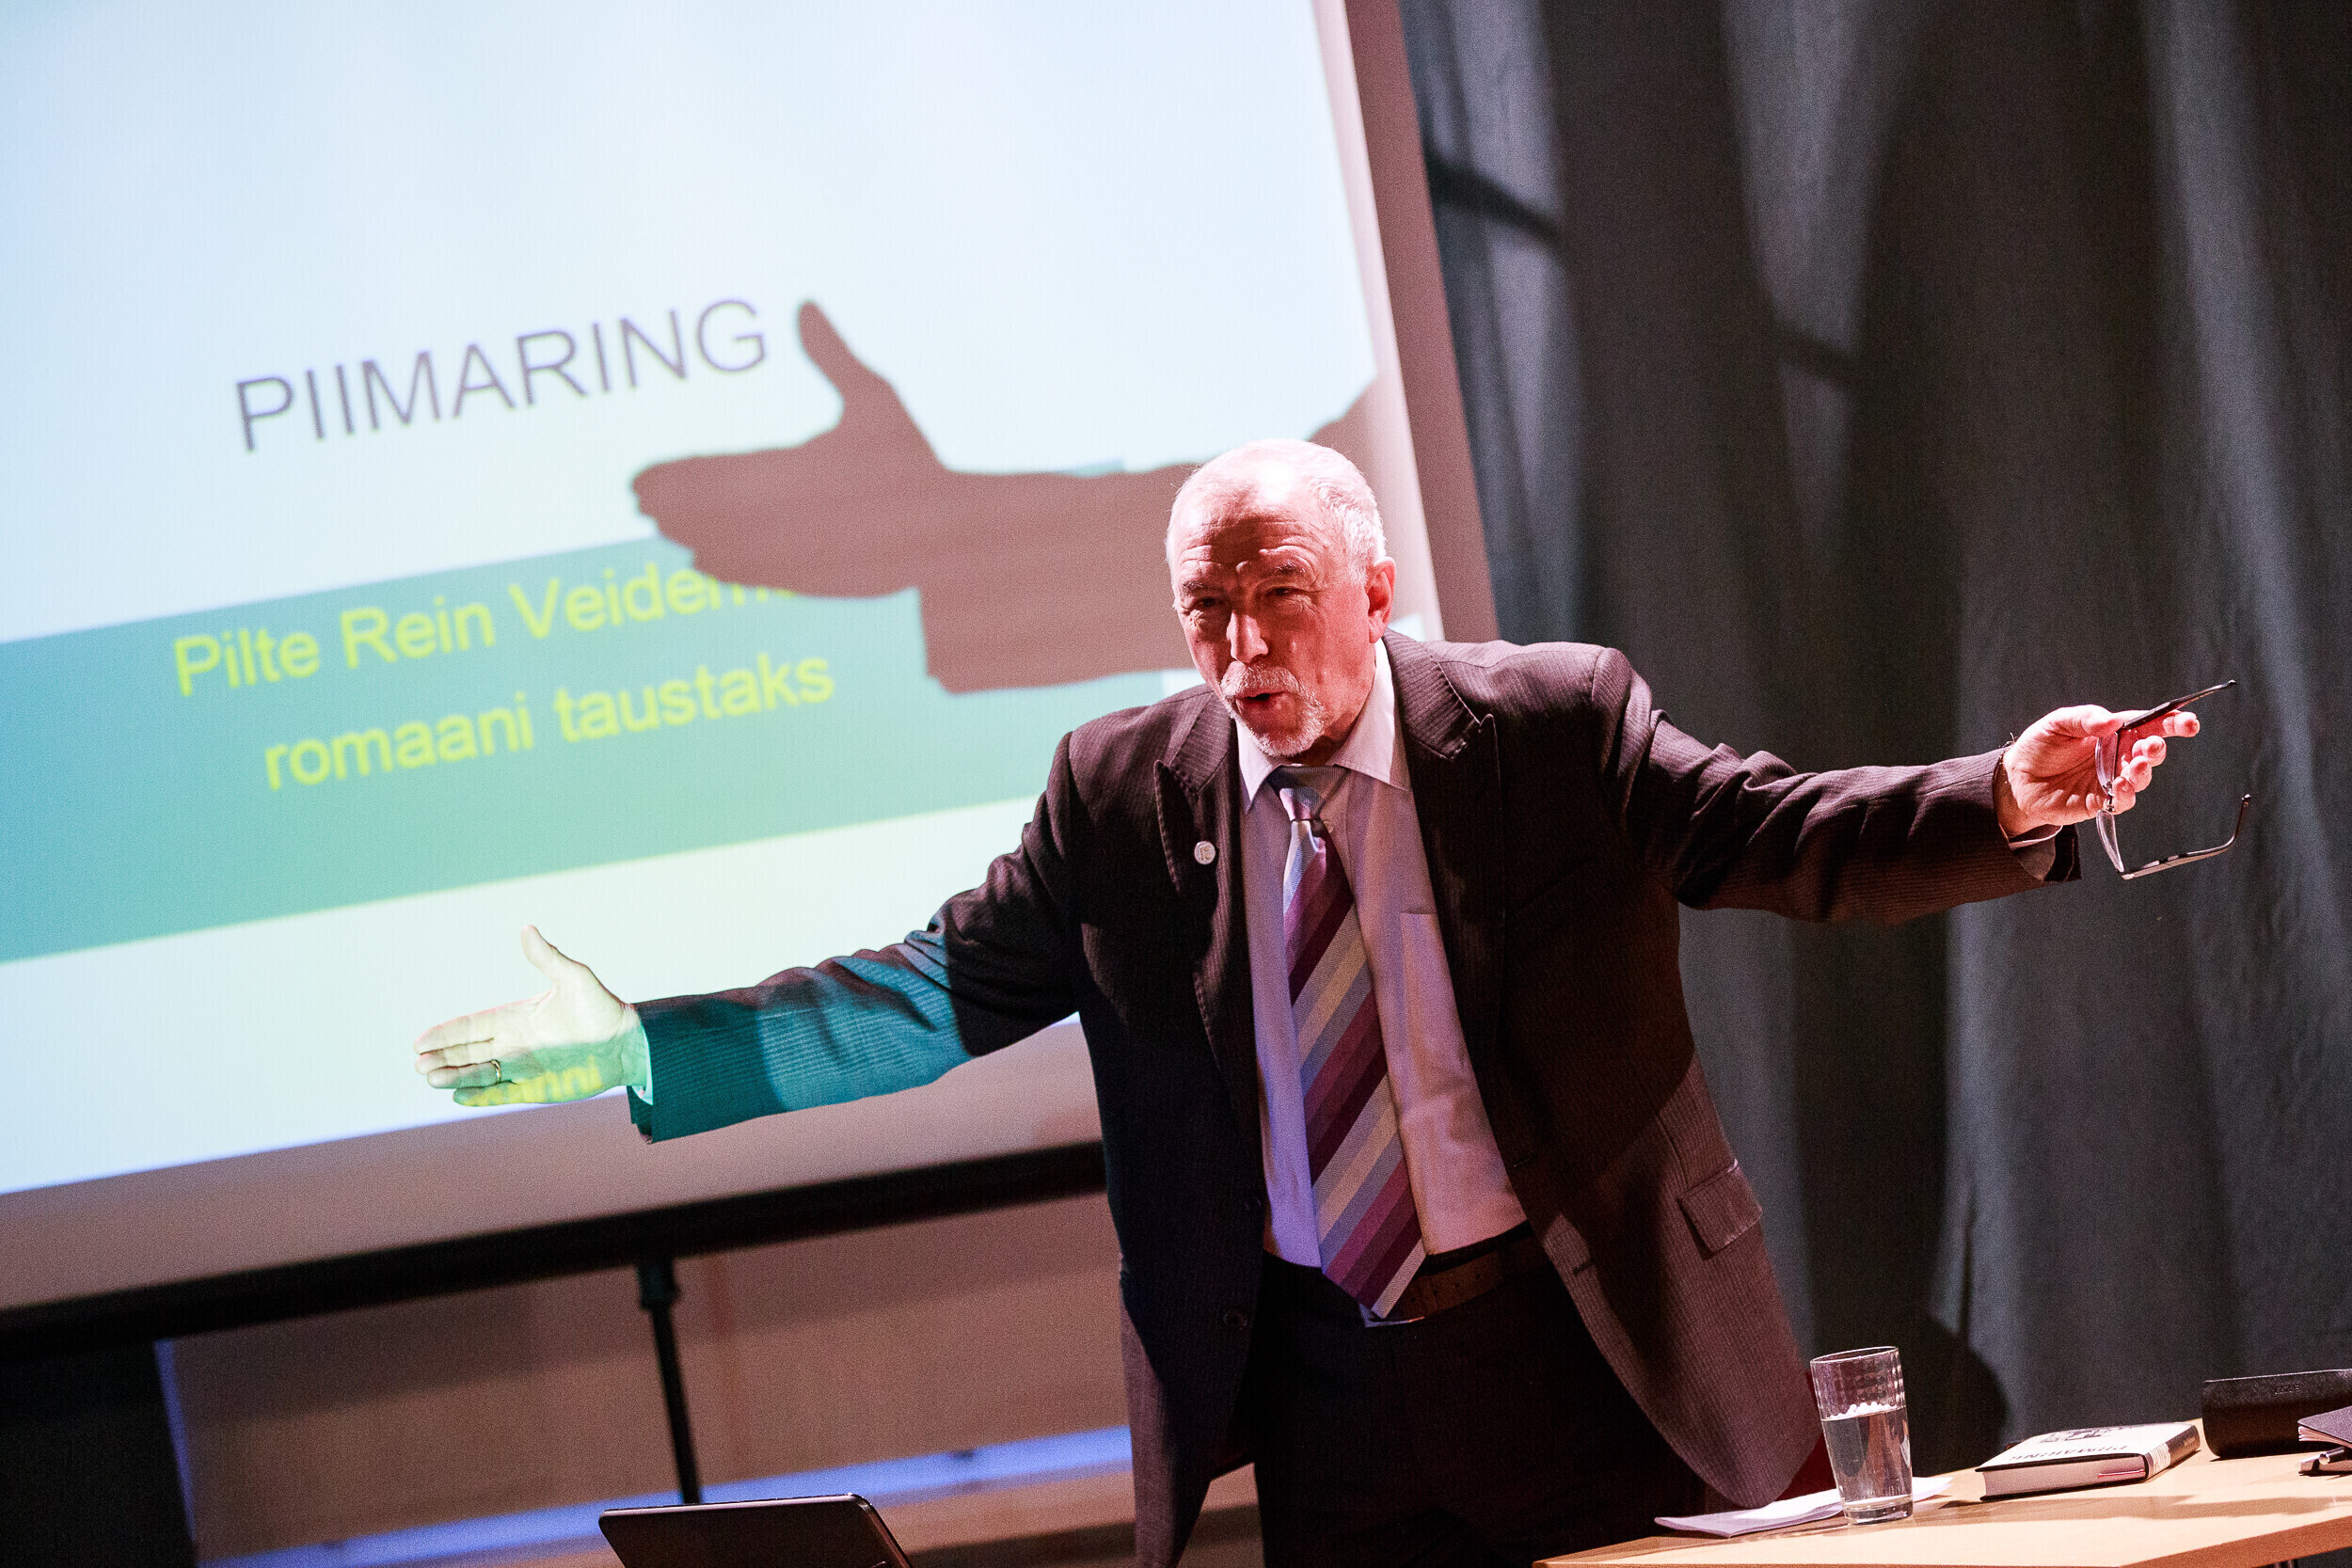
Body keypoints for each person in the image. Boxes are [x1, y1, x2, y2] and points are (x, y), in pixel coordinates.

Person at [415, 440, 2196, 1566]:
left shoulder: (1550, 727)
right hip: (1329, 1389)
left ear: (1375, 592)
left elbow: (1777, 832)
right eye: (1208, 612)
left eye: (1280, 601)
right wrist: (656, 1047)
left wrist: (2005, 794)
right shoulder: (1120, 795)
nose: (1245, 651)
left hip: (1581, 1353)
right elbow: (933, 991)